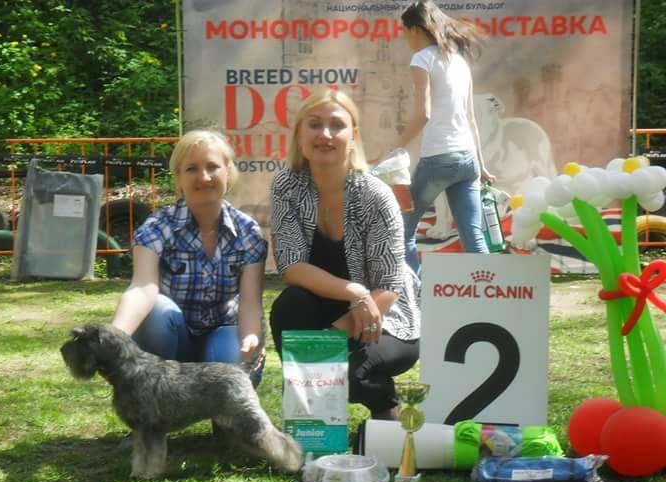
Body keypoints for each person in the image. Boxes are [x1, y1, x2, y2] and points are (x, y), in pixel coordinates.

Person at [269, 88, 421, 420]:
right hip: (340, 303)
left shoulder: (376, 195)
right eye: (314, 124)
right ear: (299, 134)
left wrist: (334, 337)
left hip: (385, 314)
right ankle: (311, 421)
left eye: (336, 125)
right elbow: (291, 266)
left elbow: (389, 285)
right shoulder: (285, 185)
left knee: (345, 373)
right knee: (289, 305)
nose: (325, 134)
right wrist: (354, 292)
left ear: (353, 136)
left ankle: (385, 405)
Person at [111, 129, 267, 387]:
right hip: (172, 336)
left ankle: (219, 400)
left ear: (228, 172)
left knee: (230, 357)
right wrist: (114, 335)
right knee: (157, 312)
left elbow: (250, 303)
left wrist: (250, 336)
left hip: (222, 331)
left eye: (212, 167)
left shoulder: (248, 231)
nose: (203, 177)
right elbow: (142, 287)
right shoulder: (157, 226)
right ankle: (159, 395)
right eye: (192, 168)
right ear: (179, 177)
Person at [398, 0, 496, 273]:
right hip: (468, 161)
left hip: (438, 159)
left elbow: (423, 114)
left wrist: (393, 148)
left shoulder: (422, 58)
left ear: (415, 29)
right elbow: (471, 119)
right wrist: (482, 166)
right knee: (473, 237)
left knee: (404, 232)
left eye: (404, 32)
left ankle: (413, 291)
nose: (405, 39)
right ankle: (489, 292)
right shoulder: (460, 62)